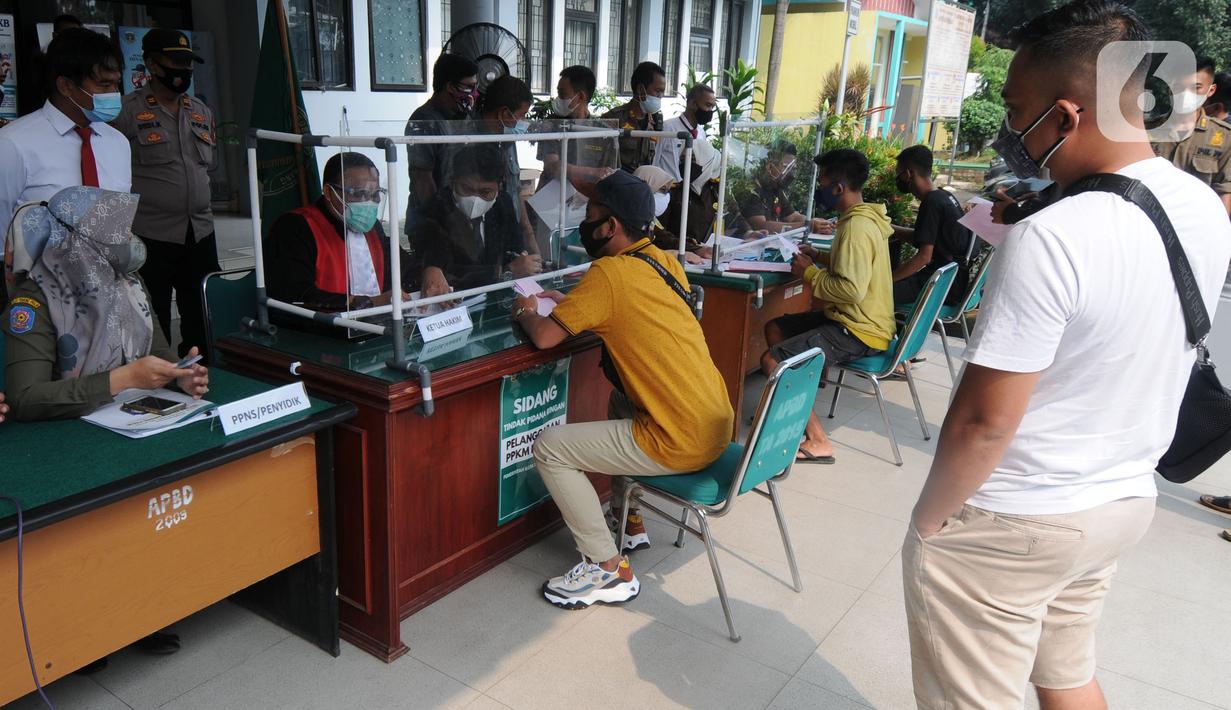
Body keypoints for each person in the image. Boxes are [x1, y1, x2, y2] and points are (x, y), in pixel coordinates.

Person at [904, 2, 1231, 709]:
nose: (1010, 130)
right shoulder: (1201, 204)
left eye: (1017, 110)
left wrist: (930, 524)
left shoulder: (1054, 235)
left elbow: (982, 423)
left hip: (1017, 517)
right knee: (1065, 676)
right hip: (1118, 498)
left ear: (1064, 116)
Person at [510, 170, 733, 608]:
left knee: (551, 448)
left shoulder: (609, 274)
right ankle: (628, 519)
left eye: (590, 212)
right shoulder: (663, 259)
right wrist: (570, 299)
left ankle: (606, 568)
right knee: (619, 400)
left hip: (678, 438)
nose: (584, 219)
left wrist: (525, 306)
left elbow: (545, 338)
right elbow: (631, 305)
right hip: (714, 422)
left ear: (610, 227)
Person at [3, 188, 202, 665]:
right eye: (120, 232)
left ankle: (143, 610)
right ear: (82, 241)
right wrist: (124, 379)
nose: (131, 240)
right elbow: (26, 397)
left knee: (155, 502)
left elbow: (160, 353)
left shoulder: (129, 284)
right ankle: (91, 628)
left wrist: (183, 375)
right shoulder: (34, 300)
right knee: (90, 529)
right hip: (58, 439)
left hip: (125, 423)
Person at [761, 149, 895, 464]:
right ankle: (795, 409)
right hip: (853, 319)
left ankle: (819, 440)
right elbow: (853, 268)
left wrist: (808, 273)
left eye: (821, 181)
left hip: (859, 329)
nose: (818, 187)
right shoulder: (860, 217)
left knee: (772, 361)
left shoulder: (856, 229)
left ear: (838, 188)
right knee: (775, 328)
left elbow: (849, 289)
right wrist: (819, 258)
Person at [112, 29, 219, 359]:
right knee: (152, 318)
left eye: (188, 63)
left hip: (199, 231)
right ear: (151, 64)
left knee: (202, 316)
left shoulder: (200, 110)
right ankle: (157, 380)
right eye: (175, 62)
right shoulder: (125, 112)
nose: (183, 70)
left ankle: (201, 374)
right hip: (150, 234)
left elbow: (206, 168)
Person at [0, 28, 130, 296]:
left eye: (116, 84)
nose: (114, 94)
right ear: (66, 85)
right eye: (104, 85)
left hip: (107, 290)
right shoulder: (13, 143)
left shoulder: (117, 143)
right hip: (39, 295)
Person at [266, 152, 410, 311]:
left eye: (375, 194)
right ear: (329, 192)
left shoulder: (371, 227)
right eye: (359, 194)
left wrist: (431, 271)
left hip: (372, 327)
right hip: (315, 330)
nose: (368, 203)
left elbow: (401, 264)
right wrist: (370, 302)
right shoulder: (295, 227)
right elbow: (294, 295)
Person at [413, 144, 542, 296]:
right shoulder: (436, 211)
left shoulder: (502, 203)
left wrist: (523, 263)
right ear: (453, 181)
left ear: (499, 187)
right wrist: (507, 271)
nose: (475, 199)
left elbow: (515, 250)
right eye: (466, 189)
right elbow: (447, 274)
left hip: (499, 298)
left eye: (485, 192)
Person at [891, 145, 973, 306]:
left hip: (942, 286)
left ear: (908, 174)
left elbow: (924, 257)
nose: (898, 179)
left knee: (874, 294)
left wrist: (888, 279)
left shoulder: (931, 203)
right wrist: (889, 228)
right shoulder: (943, 196)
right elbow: (923, 238)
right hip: (954, 281)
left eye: (899, 175)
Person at [403, 54, 479, 224]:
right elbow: (422, 179)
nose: (474, 93)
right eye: (469, 87)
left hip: (462, 214)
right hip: (431, 222)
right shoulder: (423, 121)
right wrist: (446, 221)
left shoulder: (464, 117)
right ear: (450, 86)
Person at [1152, 56, 1231, 215]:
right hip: (1150, 222)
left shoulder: (1225, 138)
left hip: (1198, 224)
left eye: (1196, 87)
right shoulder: (1147, 131)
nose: (1185, 94)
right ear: (1169, 89)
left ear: (1211, 90)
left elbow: (1225, 192)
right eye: (1179, 87)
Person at [650, 84, 725, 245]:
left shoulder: (701, 133)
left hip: (691, 197)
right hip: (667, 195)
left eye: (712, 106)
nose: (710, 111)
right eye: (707, 105)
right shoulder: (668, 128)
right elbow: (654, 161)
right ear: (692, 103)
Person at [473, 75, 538, 255]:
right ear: (504, 113)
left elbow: (515, 190)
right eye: (522, 115)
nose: (524, 121)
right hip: (483, 242)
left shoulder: (507, 141)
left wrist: (528, 234)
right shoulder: (469, 142)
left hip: (510, 236)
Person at [536, 65, 617, 187]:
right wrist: (593, 172)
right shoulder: (552, 124)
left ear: (581, 97)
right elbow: (552, 167)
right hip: (550, 197)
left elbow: (609, 173)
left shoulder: (602, 132)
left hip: (585, 198)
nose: (558, 99)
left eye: (562, 94)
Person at [602, 61, 667, 172]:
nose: (660, 96)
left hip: (643, 182)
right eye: (657, 91)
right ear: (640, 89)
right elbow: (600, 160)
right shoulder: (614, 119)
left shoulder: (655, 122)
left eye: (662, 92)